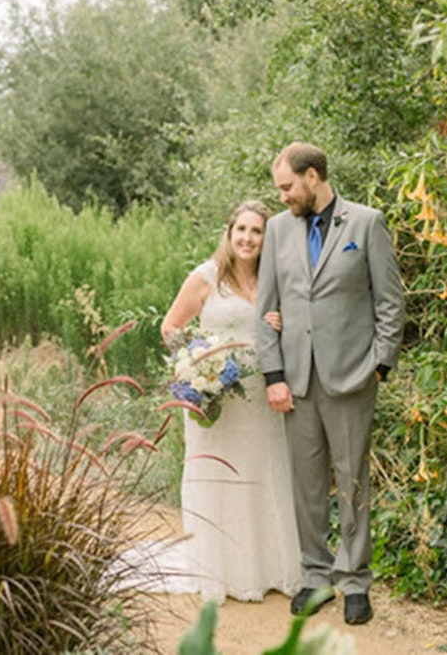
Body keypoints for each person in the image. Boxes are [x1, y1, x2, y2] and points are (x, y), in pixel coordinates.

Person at [256, 142, 405, 625]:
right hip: (296, 380)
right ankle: (316, 576)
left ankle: (355, 581)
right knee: (307, 485)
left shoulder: (366, 223)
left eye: (287, 187)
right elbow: (266, 308)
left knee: (352, 481)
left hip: (353, 378)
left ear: (313, 176)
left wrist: (380, 365)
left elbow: (390, 302)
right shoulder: (278, 231)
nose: (282, 197)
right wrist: (274, 375)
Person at [159, 200, 302, 604]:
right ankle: (221, 571)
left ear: (266, 239)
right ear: (229, 233)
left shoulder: (273, 280)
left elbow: (293, 334)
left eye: (257, 232)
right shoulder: (206, 277)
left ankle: (269, 569)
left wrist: (283, 324)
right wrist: (197, 367)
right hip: (217, 399)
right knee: (220, 479)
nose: (248, 238)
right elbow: (171, 328)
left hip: (260, 396)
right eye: (242, 229)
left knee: (263, 473)